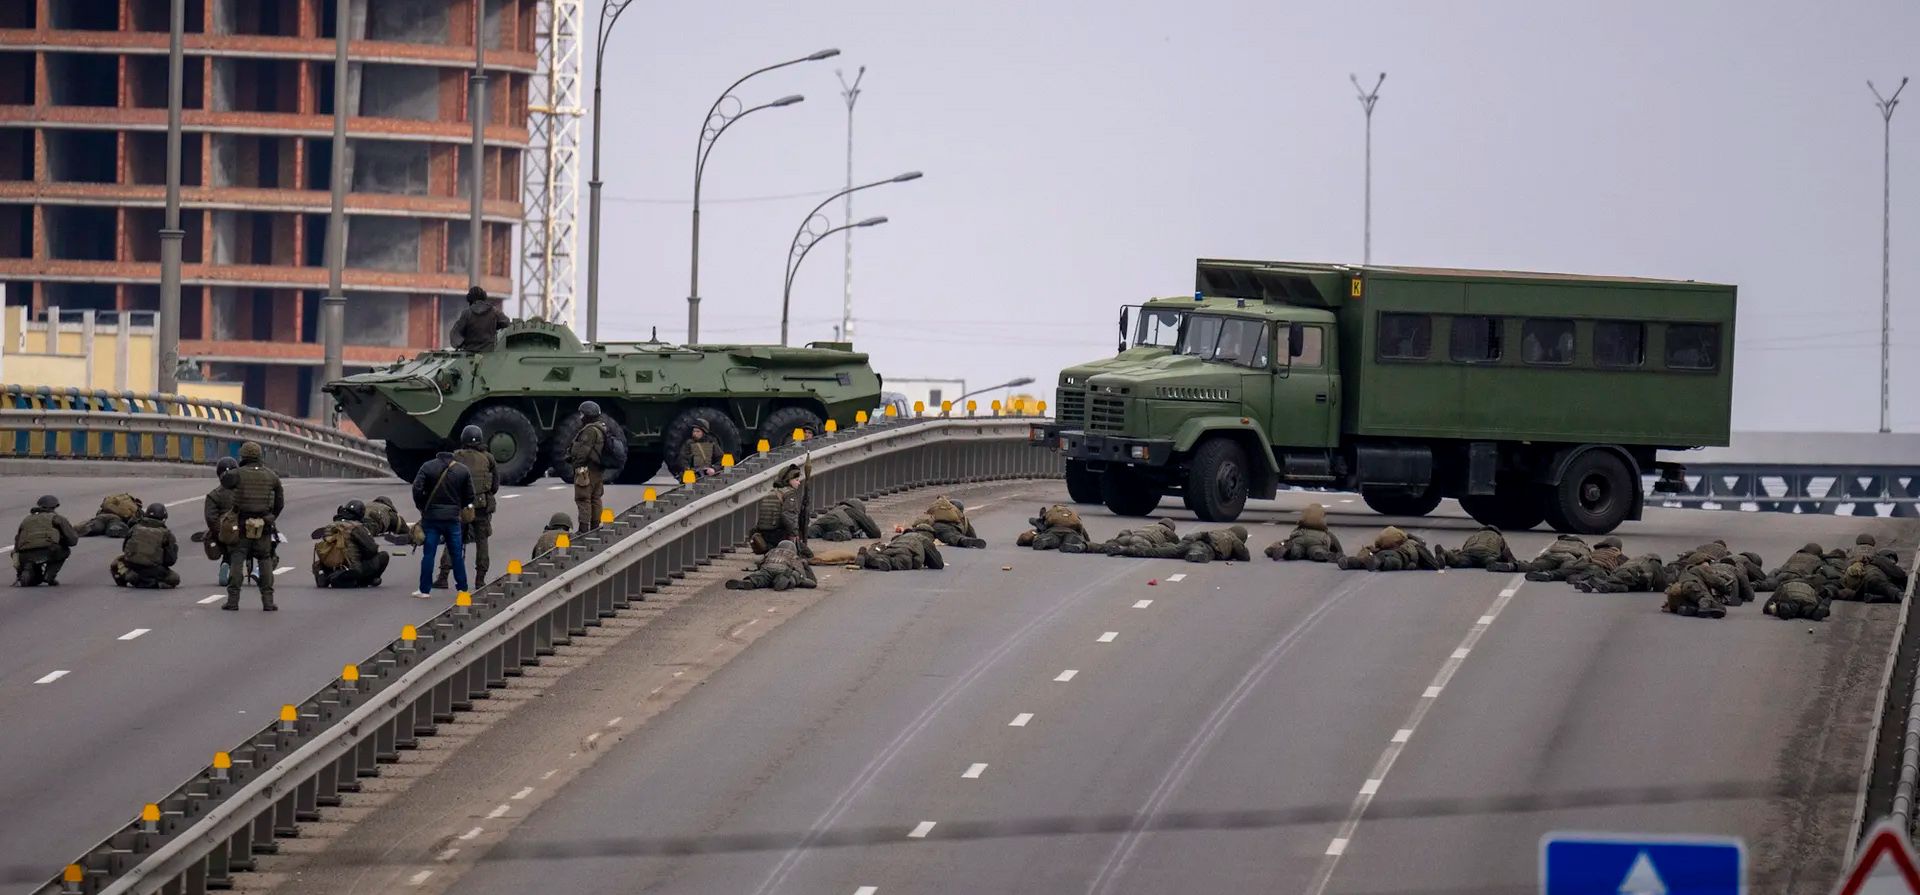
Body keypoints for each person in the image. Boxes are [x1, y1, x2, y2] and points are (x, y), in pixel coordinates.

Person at [224, 441, 284, 611]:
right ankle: (268, 601)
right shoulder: (271, 476)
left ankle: (233, 601)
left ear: (243, 456)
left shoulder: (237, 474)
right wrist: (271, 518)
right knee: (265, 559)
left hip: (242, 523)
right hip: (263, 524)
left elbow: (225, 482)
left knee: (237, 559)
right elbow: (280, 502)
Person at [438, 425, 499, 588]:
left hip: (460, 506)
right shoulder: (488, 458)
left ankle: (443, 577)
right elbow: (494, 486)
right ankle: (480, 579)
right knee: (482, 541)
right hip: (480, 507)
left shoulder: (455, 457)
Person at [412, 446, 475, 598]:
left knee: (429, 554)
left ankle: (424, 590)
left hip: (431, 519)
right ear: (452, 455)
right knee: (456, 554)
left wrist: (422, 507)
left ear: (438, 454)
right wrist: (459, 507)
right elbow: (470, 495)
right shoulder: (462, 470)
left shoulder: (427, 467)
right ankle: (462, 588)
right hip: (453, 519)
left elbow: (417, 489)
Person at [311, 500, 390, 588]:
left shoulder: (330, 526)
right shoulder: (356, 527)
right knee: (383, 556)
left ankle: (325, 572)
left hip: (330, 564)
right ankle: (367, 580)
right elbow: (372, 549)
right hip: (352, 566)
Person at [14, 495, 79, 586]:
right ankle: (49, 575)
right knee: (65, 551)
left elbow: (18, 540)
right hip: (48, 551)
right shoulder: (57, 518)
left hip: (24, 554)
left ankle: (26, 569)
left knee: (34, 579)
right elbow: (72, 540)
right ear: (55, 506)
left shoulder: (26, 519)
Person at [111, 503, 180, 589]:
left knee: (116, 562)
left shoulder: (135, 527)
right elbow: (170, 560)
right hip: (153, 569)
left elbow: (124, 548)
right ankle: (154, 583)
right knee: (174, 578)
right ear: (164, 518)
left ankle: (128, 575)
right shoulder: (167, 534)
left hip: (132, 565)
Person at [197, 457, 243, 584]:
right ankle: (258, 570)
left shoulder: (214, 495)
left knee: (224, 537)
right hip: (245, 530)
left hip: (225, 532)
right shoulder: (244, 491)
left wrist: (219, 533)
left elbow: (211, 518)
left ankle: (226, 563)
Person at [568, 401, 612, 532]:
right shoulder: (602, 428)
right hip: (597, 470)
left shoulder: (590, 431)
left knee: (583, 498)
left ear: (588, 415)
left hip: (586, 470)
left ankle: (584, 529)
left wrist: (576, 464)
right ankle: (594, 527)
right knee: (595, 498)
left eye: (582, 414)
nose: (581, 417)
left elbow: (583, 451)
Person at [749, 464, 805, 554]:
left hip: (764, 534)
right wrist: (794, 534)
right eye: (796, 480)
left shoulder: (772, 492)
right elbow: (789, 516)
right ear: (788, 480)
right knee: (807, 554)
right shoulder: (789, 494)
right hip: (778, 535)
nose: (799, 483)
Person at [1663, 560, 1746, 619]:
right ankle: (1703, 606)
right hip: (1691, 586)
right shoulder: (1697, 569)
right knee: (1705, 599)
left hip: (1680, 593)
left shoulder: (1683, 573)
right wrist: (1724, 586)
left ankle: (1688, 608)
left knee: (1715, 606)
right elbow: (1713, 580)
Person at [724, 539, 818, 591]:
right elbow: (805, 576)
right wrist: (805, 568)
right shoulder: (794, 556)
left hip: (767, 568)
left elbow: (760, 564)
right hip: (783, 570)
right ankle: (786, 581)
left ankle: (750, 582)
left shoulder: (771, 552)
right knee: (796, 575)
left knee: (760, 577)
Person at [1266, 503, 1344, 563]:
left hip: (1300, 537)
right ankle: (1322, 554)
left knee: (1296, 550)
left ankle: (1290, 550)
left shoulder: (1300, 528)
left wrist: (1272, 549)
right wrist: (1340, 554)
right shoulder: (1325, 532)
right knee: (1316, 550)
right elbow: (1337, 547)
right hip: (1318, 540)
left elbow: (1287, 540)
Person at [1337, 526, 1441, 571]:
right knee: (1393, 562)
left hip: (1379, 555)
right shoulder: (1412, 544)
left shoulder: (1377, 549)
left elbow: (1365, 551)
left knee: (1362, 561)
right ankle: (1378, 563)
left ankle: (1348, 561)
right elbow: (1434, 565)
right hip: (1395, 557)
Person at [1530, 536, 1626, 583]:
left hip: (1582, 564)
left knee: (1565, 571)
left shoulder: (1595, 552)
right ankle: (1579, 579)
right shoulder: (1618, 555)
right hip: (1598, 567)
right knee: (1596, 574)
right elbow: (1625, 567)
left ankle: (1549, 574)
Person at [857, 522, 946, 571]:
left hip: (891, 549)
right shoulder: (924, 539)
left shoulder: (903, 536)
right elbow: (938, 564)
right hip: (905, 553)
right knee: (900, 562)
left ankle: (867, 557)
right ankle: (886, 562)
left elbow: (893, 540)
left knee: (883, 556)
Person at [1574, 553, 1672, 594]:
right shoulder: (1654, 563)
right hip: (1634, 573)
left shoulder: (1636, 559)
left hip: (1621, 571)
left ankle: (1604, 585)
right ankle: (1591, 579)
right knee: (1620, 580)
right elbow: (1660, 585)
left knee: (1624, 587)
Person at [449, 285, 510, 351]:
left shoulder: (467, 313)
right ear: (484, 297)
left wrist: (461, 344)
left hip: (470, 351)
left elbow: (455, 333)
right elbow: (506, 322)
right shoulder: (494, 311)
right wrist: (494, 325)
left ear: (469, 299)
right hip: (489, 351)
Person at [1495, 534, 1589, 576]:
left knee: (1533, 566)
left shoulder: (1557, 543)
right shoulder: (1581, 545)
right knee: (1568, 570)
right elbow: (1585, 557)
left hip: (1550, 556)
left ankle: (1512, 566)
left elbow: (1546, 553)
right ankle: (1548, 575)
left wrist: (1536, 561)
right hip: (1568, 557)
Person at [1839, 547, 1907, 603]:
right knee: (1887, 587)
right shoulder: (1881, 559)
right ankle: (1898, 595)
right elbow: (1899, 575)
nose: (1893, 562)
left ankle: (1875, 598)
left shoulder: (1866, 561)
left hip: (1862, 585)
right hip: (1874, 579)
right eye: (1891, 558)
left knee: (1884, 589)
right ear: (1887, 556)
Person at [1757, 543, 1831, 593]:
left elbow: (1782, 568)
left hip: (1783, 575)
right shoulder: (1817, 559)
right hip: (1798, 577)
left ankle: (1757, 584)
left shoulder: (1795, 555)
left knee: (1772, 579)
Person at [1018, 504, 1092, 553]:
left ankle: (1045, 541)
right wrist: (1086, 541)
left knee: (1051, 538)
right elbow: (1082, 530)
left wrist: (1039, 529)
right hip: (1071, 532)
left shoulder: (1050, 512)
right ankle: (1075, 545)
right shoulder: (1072, 513)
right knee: (1074, 539)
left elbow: (1038, 524)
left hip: (1054, 530)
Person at [918, 495, 986, 548]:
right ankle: (962, 540)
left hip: (939, 527)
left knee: (950, 536)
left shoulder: (938, 515)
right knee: (952, 536)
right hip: (953, 528)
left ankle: (962, 540)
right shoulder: (963, 519)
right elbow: (972, 534)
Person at [1438, 524, 1515, 570]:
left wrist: (1457, 554)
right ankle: (1495, 564)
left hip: (1470, 553)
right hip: (1487, 554)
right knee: (1491, 561)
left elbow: (1464, 548)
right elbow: (1506, 553)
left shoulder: (1474, 536)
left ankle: (1446, 554)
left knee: (1458, 561)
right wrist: (1512, 562)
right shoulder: (1498, 537)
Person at [808, 497, 883, 542]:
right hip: (839, 522)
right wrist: (868, 519)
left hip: (824, 521)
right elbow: (875, 533)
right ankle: (836, 534)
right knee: (846, 533)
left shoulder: (837, 508)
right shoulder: (855, 511)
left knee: (817, 529)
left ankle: (807, 532)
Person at [1095, 518, 1179, 556]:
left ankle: (1084, 546)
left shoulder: (1150, 525)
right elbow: (1179, 546)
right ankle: (1122, 549)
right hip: (1142, 541)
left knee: (1103, 546)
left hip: (1129, 537)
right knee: (1139, 550)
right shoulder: (1168, 531)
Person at [78, 492, 142, 538]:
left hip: (101, 517)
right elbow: (134, 521)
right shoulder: (134, 507)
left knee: (95, 525)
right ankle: (115, 529)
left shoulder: (116, 498)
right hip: (116, 519)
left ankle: (90, 527)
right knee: (115, 528)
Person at [1765, 579, 1831, 622]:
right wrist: (1822, 606)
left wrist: (1769, 607)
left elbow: (1771, 600)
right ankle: (1814, 611)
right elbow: (1817, 599)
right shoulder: (1810, 587)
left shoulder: (1784, 585)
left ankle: (1786, 608)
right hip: (1808, 601)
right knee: (1809, 609)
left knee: (1790, 605)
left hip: (1791, 598)